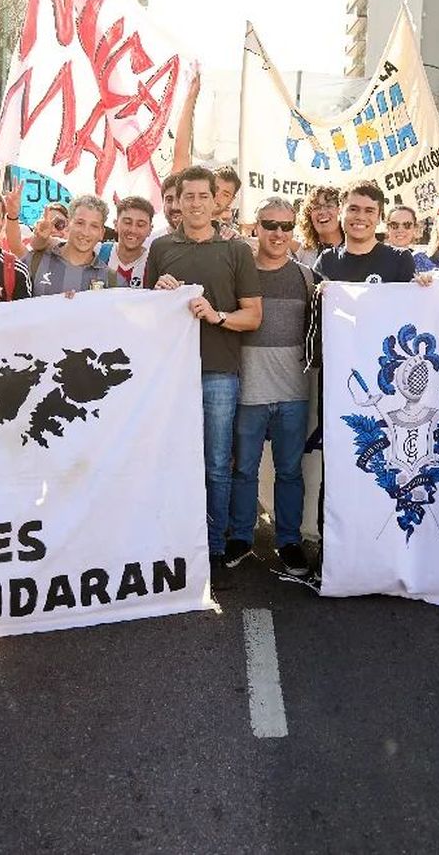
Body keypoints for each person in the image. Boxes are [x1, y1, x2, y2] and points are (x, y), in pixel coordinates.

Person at [145, 165, 263, 584]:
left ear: (217, 201)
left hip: (218, 373)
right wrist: (158, 297)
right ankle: (174, 537)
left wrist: (217, 317)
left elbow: (253, 316)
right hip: (170, 378)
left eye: (202, 196)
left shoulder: (236, 252)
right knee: (171, 460)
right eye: (186, 197)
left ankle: (213, 545)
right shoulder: (160, 249)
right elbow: (145, 318)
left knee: (216, 462)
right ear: (177, 201)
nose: (194, 204)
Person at [228, 197, 317, 578]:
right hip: (249, 390)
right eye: (269, 224)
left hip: (294, 392)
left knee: (290, 472)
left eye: (285, 226)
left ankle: (289, 541)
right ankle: (242, 538)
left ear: (293, 229)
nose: (278, 233)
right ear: (256, 227)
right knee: (244, 470)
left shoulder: (307, 277)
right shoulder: (238, 273)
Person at [312, 182, 416, 284]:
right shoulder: (326, 261)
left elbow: (411, 299)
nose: (360, 217)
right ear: (340, 212)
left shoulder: (400, 259)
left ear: (379, 217)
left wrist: (424, 287)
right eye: (353, 209)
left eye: (369, 211)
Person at [29, 196, 119, 295]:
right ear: (68, 225)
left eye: (94, 226)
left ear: (102, 233)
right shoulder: (34, 262)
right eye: (80, 223)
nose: (85, 232)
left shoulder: (112, 281)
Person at [98, 196, 154, 287]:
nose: (133, 230)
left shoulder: (154, 263)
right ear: (115, 225)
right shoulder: (98, 252)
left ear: (150, 230)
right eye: (127, 222)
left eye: (140, 225)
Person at [295, 184, 343, 265]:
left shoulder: (356, 249)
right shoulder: (301, 252)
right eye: (316, 207)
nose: (322, 212)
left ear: (341, 210)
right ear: (308, 215)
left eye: (329, 206)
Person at [384, 205, 433, 274]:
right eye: (394, 225)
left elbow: (437, 279)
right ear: (388, 228)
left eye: (407, 225)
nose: (400, 230)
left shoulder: (419, 259)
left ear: (415, 228)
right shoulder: (376, 257)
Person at [213, 165, 242, 239]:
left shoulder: (231, 238)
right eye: (215, 189)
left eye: (225, 195)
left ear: (231, 200)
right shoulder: (182, 222)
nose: (217, 196)